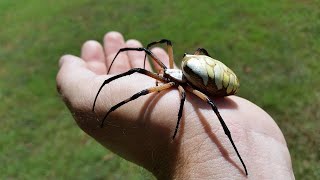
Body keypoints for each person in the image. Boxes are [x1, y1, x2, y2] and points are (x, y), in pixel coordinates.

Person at [56, 31, 295, 179]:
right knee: (142, 64)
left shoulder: (178, 86)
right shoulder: (176, 74)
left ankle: (236, 158)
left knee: (142, 80)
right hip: (198, 73)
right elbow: (168, 82)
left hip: (202, 79)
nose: (162, 72)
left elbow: (178, 101)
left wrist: (107, 110)